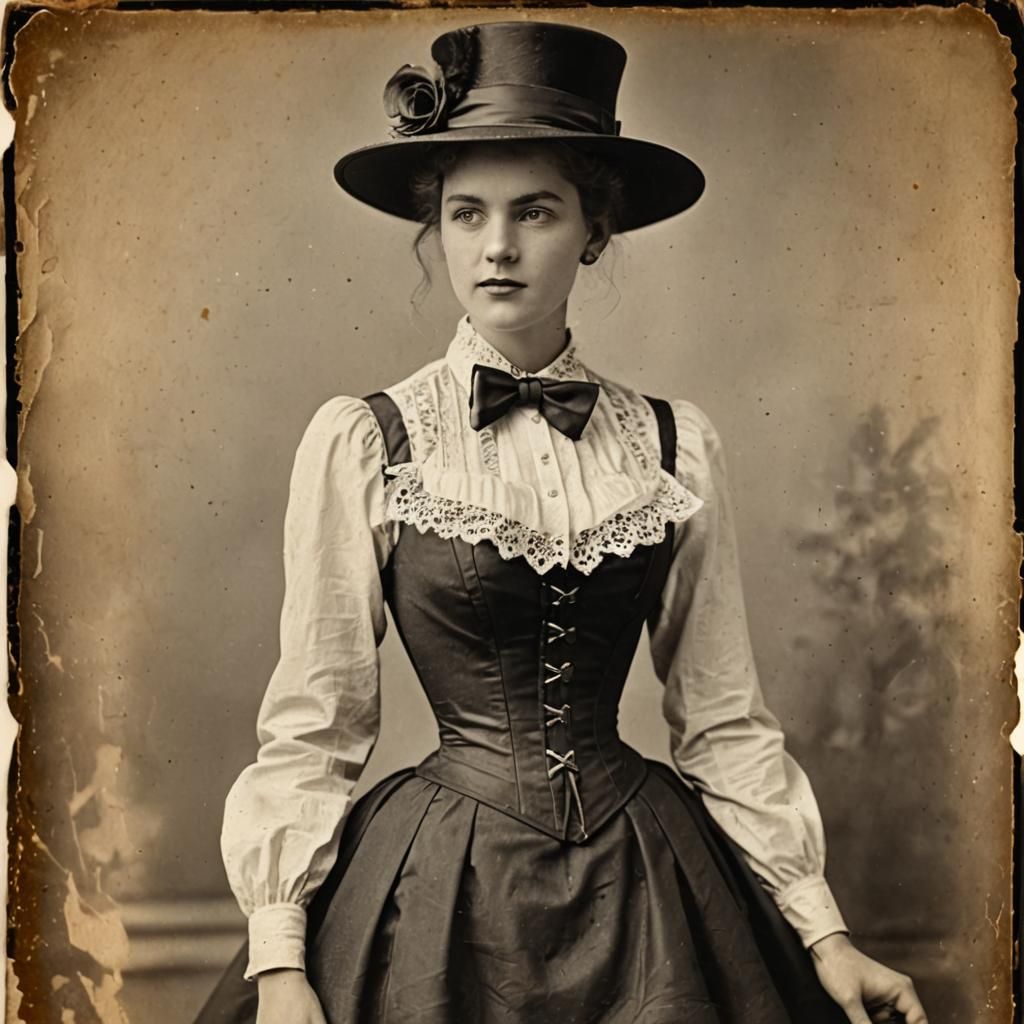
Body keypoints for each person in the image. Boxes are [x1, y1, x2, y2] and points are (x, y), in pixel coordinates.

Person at [196, 20, 928, 1024]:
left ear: (593, 229)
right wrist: (281, 962)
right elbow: (315, 725)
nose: (495, 246)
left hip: (646, 891)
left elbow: (721, 720)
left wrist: (823, 931)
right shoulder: (369, 441)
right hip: (439, 894)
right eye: (465, 213)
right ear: (439, 227)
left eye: (533, 211)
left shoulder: (675, 446)